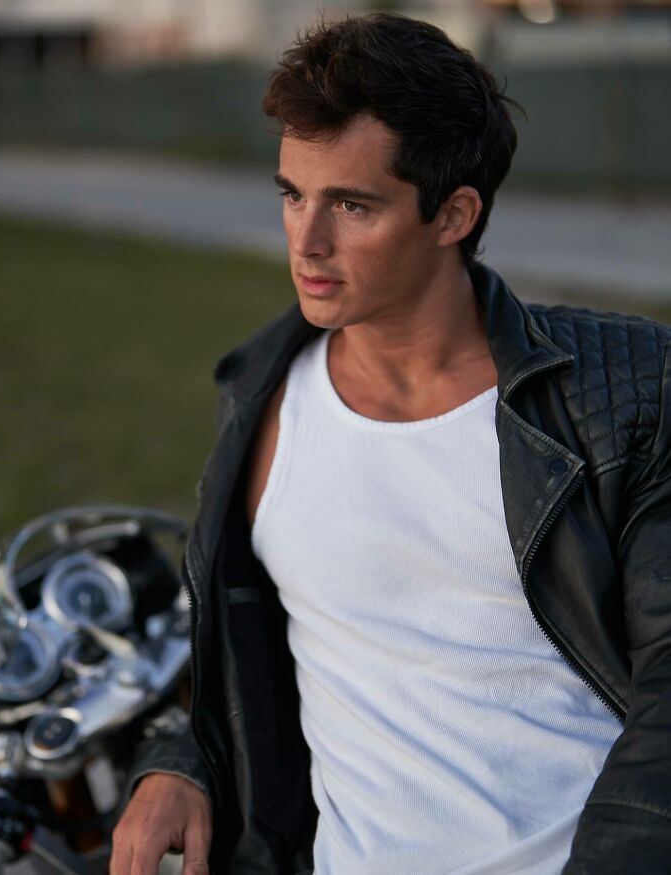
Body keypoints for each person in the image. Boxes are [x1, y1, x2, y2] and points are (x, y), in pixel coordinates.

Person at [110, 14, 671, 875]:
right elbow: (243, 651)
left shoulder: (617, 394)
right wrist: (184, 762)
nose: (307, 242)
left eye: (352, 204)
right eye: (293, 194)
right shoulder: (260, 397)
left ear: (453, 214)